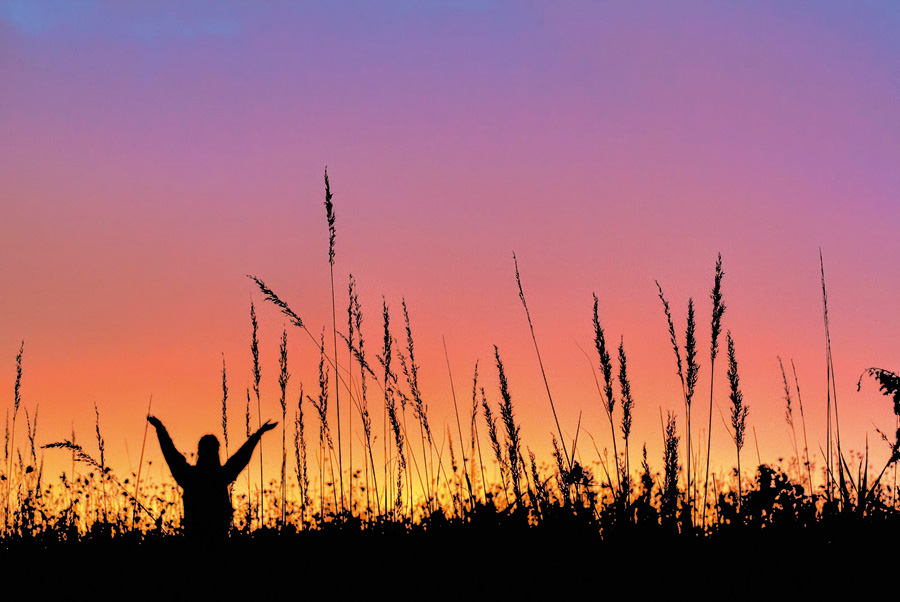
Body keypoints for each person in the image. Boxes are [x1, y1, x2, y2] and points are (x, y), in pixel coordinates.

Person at [148, 415, 277, 538]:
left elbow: (171, 455)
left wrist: (160, 429)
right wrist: (258, 434)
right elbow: (241, 458)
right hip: (217, 539)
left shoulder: (190, 477)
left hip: (194, 539)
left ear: (199, 452)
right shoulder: (220, 477)